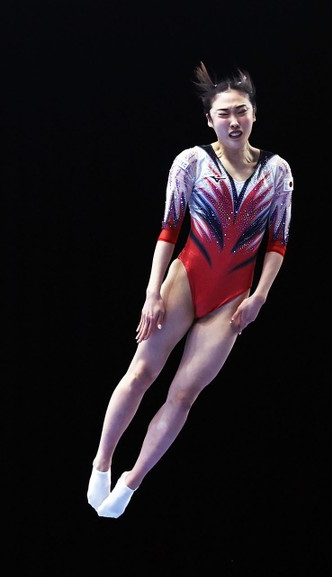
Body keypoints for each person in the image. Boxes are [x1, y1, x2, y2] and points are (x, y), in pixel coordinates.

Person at [87, 62, 294, 518]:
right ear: (210, 120)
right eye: (224, 114)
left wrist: (260, 295)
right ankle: (102, 463)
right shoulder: (191, 162)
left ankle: (131, 481)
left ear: (254, 114)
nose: (234, 121)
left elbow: (278, 242)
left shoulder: (278, 172)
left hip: (233, 297)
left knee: (183, 394)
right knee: (142, 372)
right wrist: (152, 292)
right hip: (185, 277)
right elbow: (168, 229)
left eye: (241, 111)